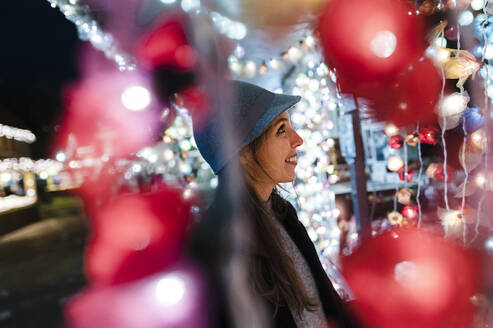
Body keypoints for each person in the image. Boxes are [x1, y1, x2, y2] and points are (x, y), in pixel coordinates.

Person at [189, 80, 361, 328]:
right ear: (243, 153)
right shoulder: (224, 245)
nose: (298, 140)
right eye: (281, 130)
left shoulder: (281, 213)